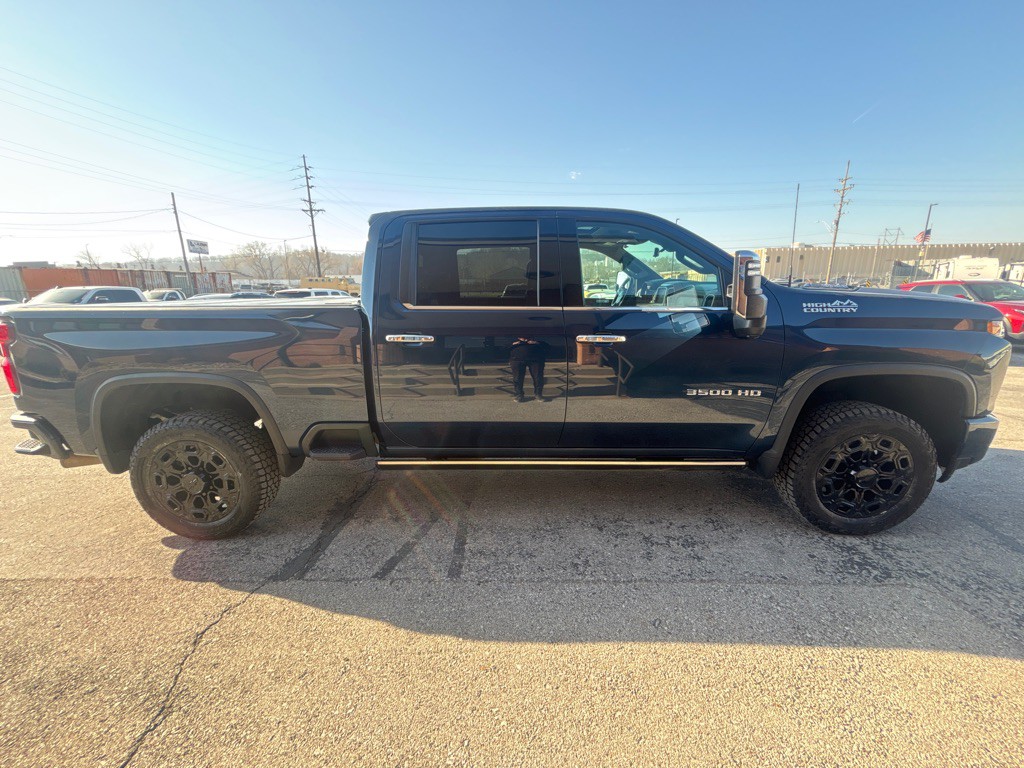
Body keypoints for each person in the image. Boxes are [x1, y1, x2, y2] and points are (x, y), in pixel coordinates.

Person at [509, 336, 547, 402]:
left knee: (538, 377)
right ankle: (519, 395)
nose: (525, 339)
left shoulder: (536, 340)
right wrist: (512, 344)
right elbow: (504, 348)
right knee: (517, 378)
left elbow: (547, 346)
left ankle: (538, 394)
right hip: (517, 361)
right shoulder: (513, 340)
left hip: (535, 361)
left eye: (526, 337)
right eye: (522, 337)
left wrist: (537, 342)